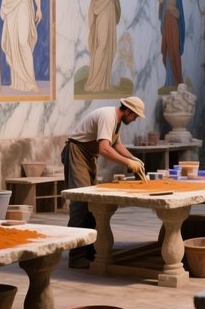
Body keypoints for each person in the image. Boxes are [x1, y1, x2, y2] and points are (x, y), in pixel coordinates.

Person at [61, 97, 147, 268]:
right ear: (128, 111)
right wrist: (128, 164)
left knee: (93, 203)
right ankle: (76, 256)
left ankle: (91, 251)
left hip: (88, 156)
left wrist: (133, 158)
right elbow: (104, 148)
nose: (135, 119)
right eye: (135, 116)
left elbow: (116, 144)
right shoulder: (109, 116)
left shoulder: (117, 120)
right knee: (80, 203)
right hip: (77, 153)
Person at [78, 0, 130, 92]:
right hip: (101, 6)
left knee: (108, 45)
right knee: (102, 42)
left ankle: (103, 82)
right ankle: (94, 79)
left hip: (110, 8)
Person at [154, 0, 187, 87]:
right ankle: (169, 81)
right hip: (167, 18)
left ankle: (178, 79)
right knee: (168, 47)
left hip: (174, 18)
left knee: (175, 47)